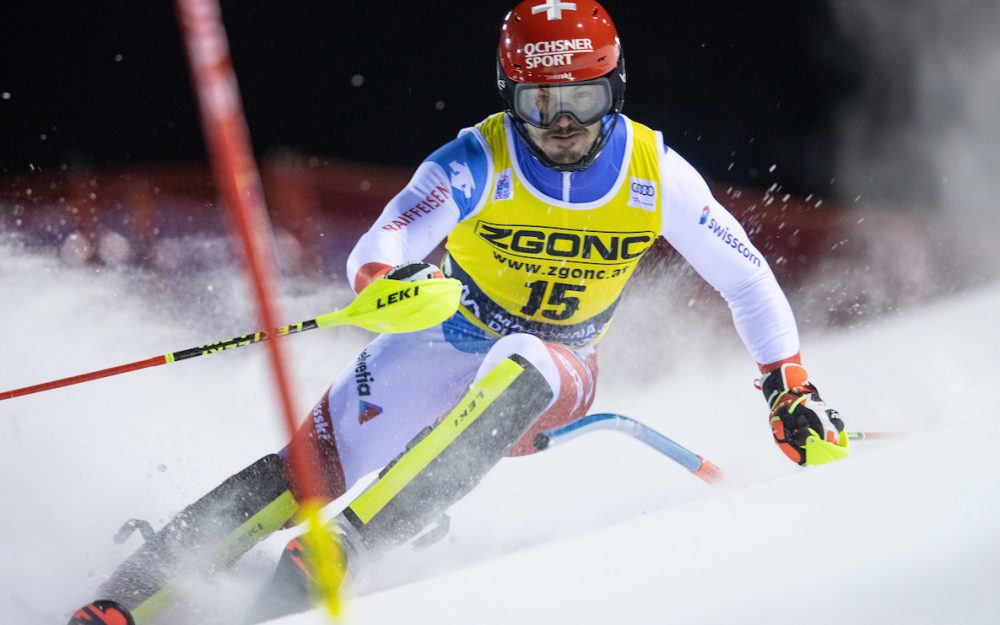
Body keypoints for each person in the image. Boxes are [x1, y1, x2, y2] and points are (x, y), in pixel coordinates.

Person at [68, 2, 847, 624]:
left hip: (558, 369)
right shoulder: (478, 158)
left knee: (529, 361)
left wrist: (789, 384)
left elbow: (746, 279)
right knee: (305, 468)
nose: (564, 123)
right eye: (541, 103)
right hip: (448, 338)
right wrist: (392, 279)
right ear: (511, 97)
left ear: (615, 91)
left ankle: (346, 546)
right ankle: (129, 595)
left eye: (583, 99)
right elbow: (385, 239)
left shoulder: (656, 173)